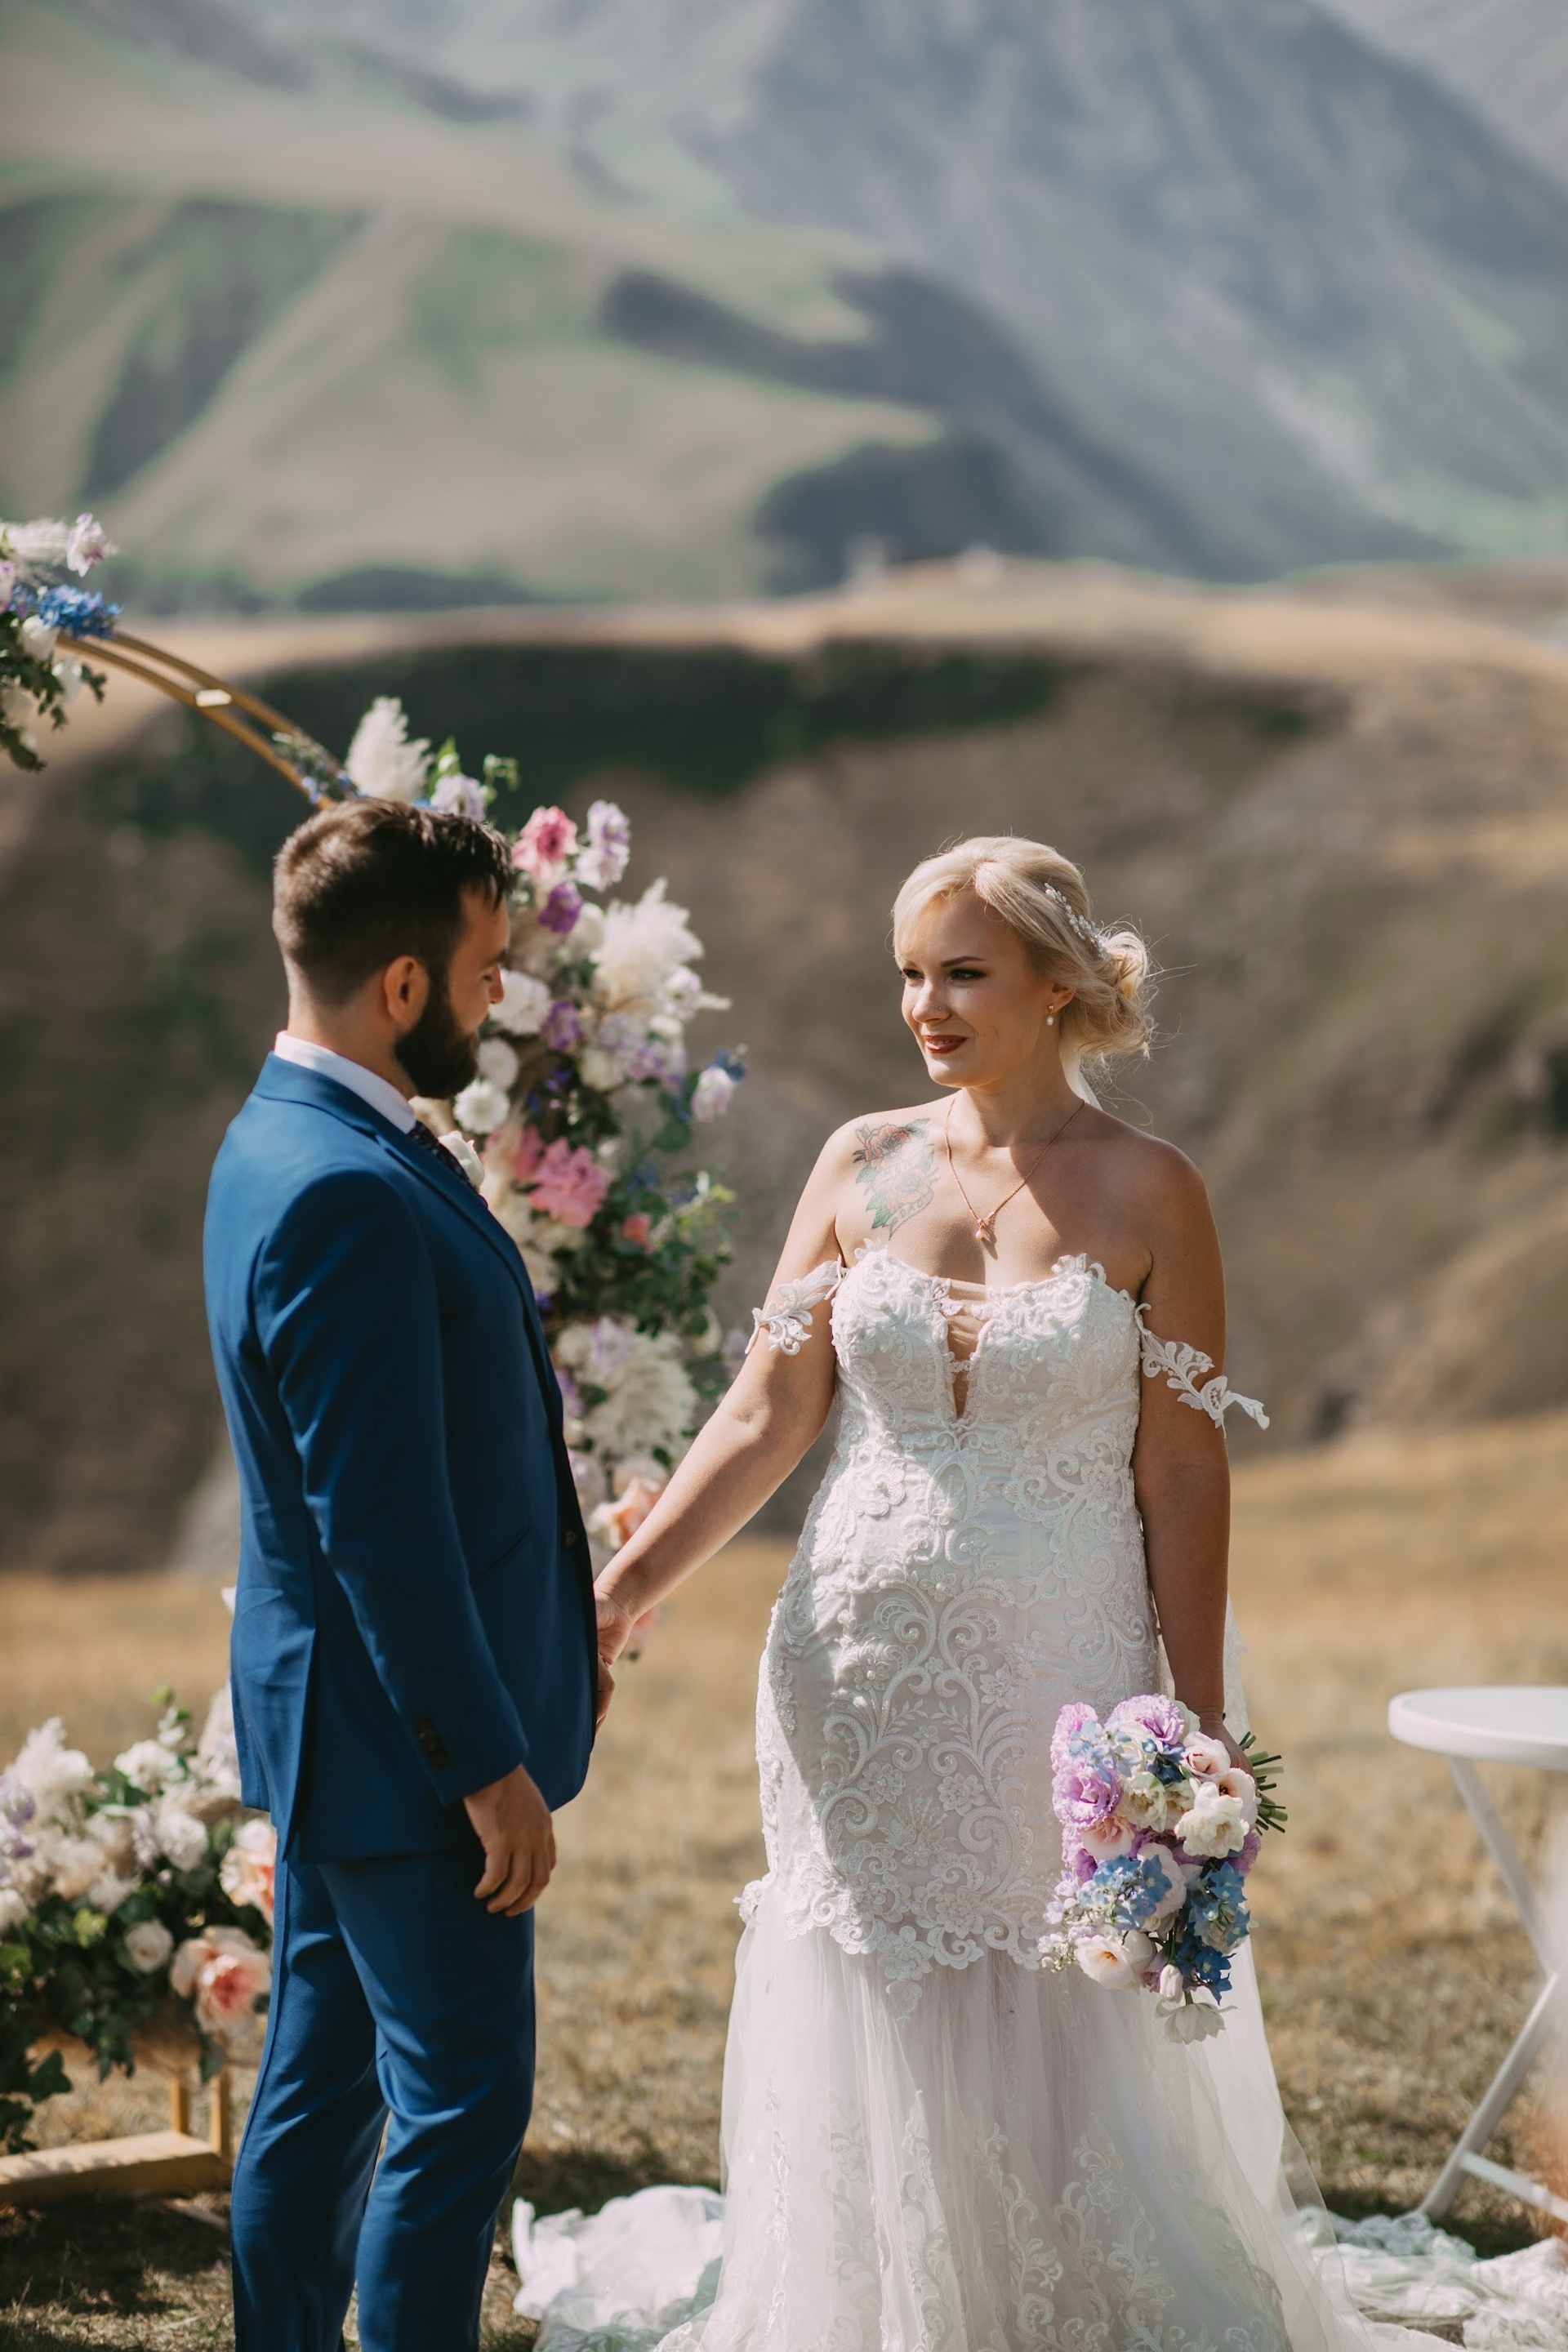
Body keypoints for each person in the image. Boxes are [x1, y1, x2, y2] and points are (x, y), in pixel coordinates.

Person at [583, 836, 1414, 2350]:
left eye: (963, 972)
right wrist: (620, 1592)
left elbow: (1181, 1472)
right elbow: (766, 1412)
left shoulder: (1151, 1190)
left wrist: (1199, 1726)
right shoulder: (871, 1165)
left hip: (1063, 1673)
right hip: (853, 1670)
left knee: (1056, 1985)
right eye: (909, 973)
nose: (927, 1006)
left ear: (1055, 985)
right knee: (873, 1970)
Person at [204, 797, 597, 2352]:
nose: (500, 997)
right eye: (487, 968)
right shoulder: (342, 1187)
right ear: (407, 984)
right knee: (462, 2099)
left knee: (321, 2092)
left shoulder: (289, 1134)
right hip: (400, 1744)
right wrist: (483, 1766)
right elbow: (378, 1524)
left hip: (344, 1730)